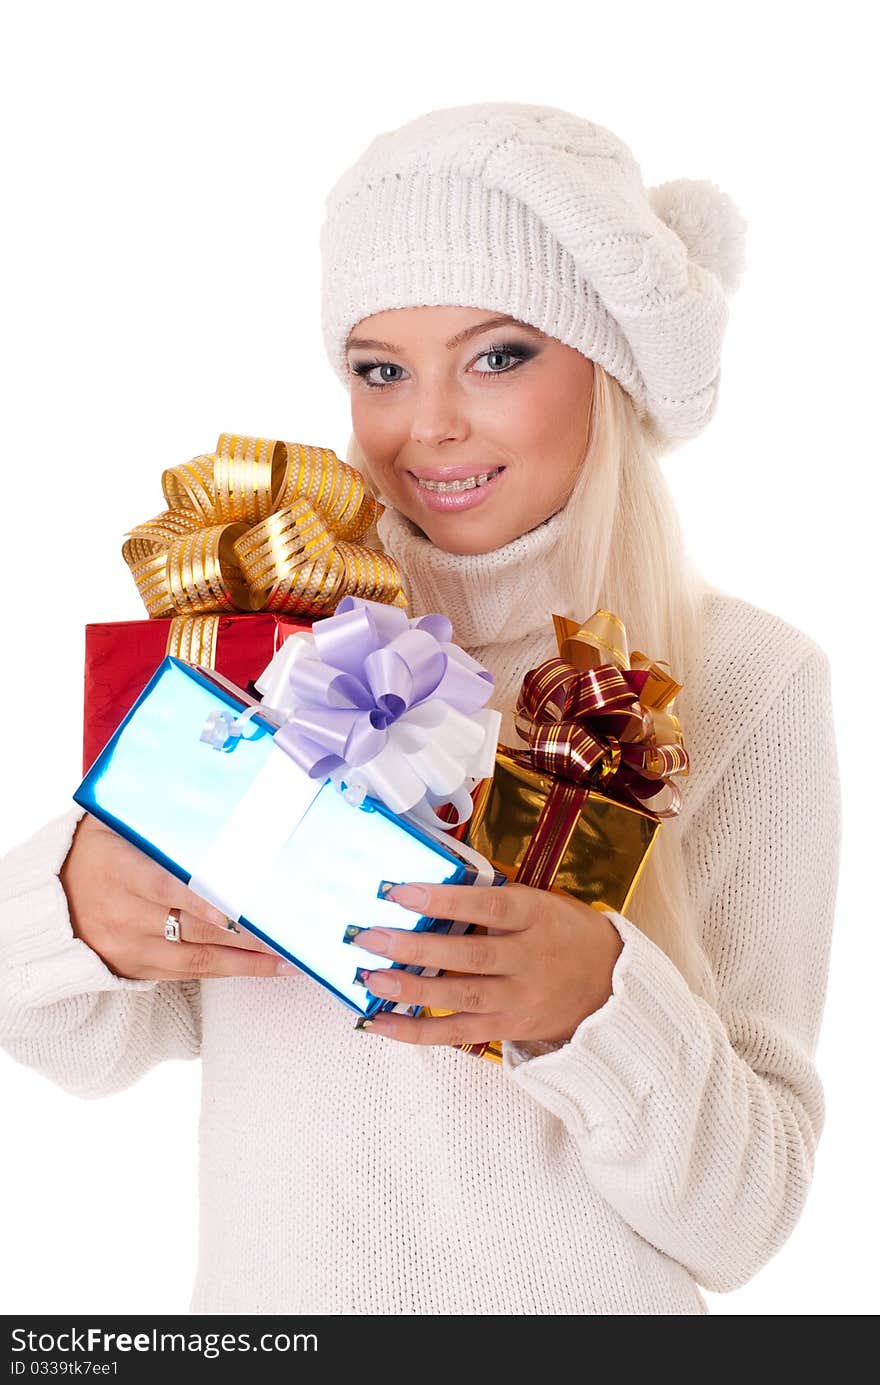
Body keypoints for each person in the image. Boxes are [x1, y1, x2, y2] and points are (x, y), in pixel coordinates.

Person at [0, 101, 841, 1316]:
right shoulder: (267, 629)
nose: (426, 424)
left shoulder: (746, 678)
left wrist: (601, 1002)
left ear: (606, 364)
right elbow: (90, 1043)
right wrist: (69, 905)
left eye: (498, 355)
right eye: (379, 368)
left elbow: (745, 1219)